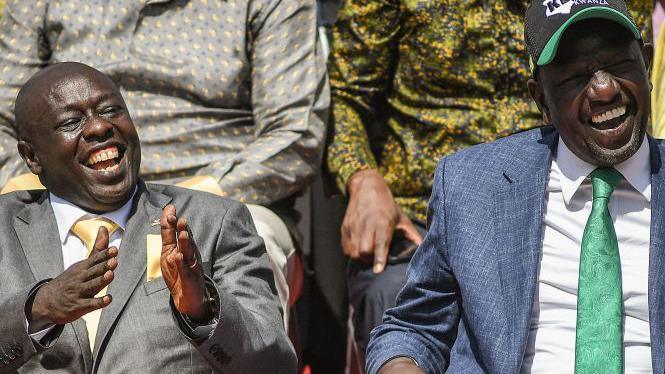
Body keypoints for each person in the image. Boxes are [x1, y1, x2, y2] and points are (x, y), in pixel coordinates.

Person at [326, 0, 652, 363]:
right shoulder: (463, 183)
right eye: (576, 76)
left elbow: (627, 70)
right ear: (540, 96)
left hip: (582, 168)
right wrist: (362, 176)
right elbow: (344, 96)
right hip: (418, 215)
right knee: (390, 291)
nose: (603, 87)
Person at [0, 0, 329, 327]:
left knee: (242, 246)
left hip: (222, 191)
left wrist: (195, 197)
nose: (101, 127)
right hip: (64, 186)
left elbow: (296, 134)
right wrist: (39, 188)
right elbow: (5, 120)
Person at [0, 62, 295, 373]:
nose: (100, 127)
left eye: (111, 110)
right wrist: (39, 309)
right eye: (72, 122)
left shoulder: (212, 222)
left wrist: (203, 309)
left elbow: (274, 365)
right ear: (31, 157)